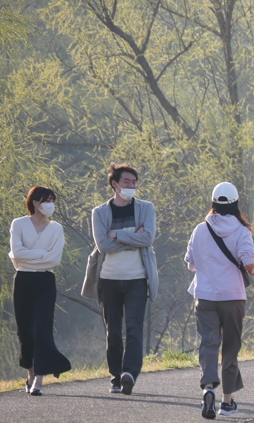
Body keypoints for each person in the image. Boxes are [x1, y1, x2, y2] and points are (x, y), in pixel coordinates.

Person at [185, 182, 254, 419]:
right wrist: (250, 268)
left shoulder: (200, 229)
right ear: (236, 203)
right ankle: (226, 402)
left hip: (204, 296)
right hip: (233, 297)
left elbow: (191, 263)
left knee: (208, 343)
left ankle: (207, 387)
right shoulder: (242, 231)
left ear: (213, 202)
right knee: (231, 347)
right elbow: (249, 263)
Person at [86, 163, 159, 395]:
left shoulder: (146, 208)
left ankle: (130, 373)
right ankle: (115, 376)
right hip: (109, 279)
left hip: (137, 278)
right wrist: (131, 236)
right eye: (127, 182)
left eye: (134, 182)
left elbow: (147, 239)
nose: (132, 186)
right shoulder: (99, 212)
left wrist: (117, 234)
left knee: (134, 328)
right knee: (113, 331)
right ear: (114, 184)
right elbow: (102, 245)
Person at [8, 186, 72, 395]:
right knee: (25, 331)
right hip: (23, 280)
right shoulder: (18, 224)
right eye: (47, 200)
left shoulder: (56, 228)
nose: (51, 205)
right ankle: (30, 375)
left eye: (53, 201)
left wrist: (29, 255)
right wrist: (40, 254)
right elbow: (16, 253)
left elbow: (54, 259)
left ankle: (39, 381)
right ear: (36, 203)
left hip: (45, 280)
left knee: (41, 329)